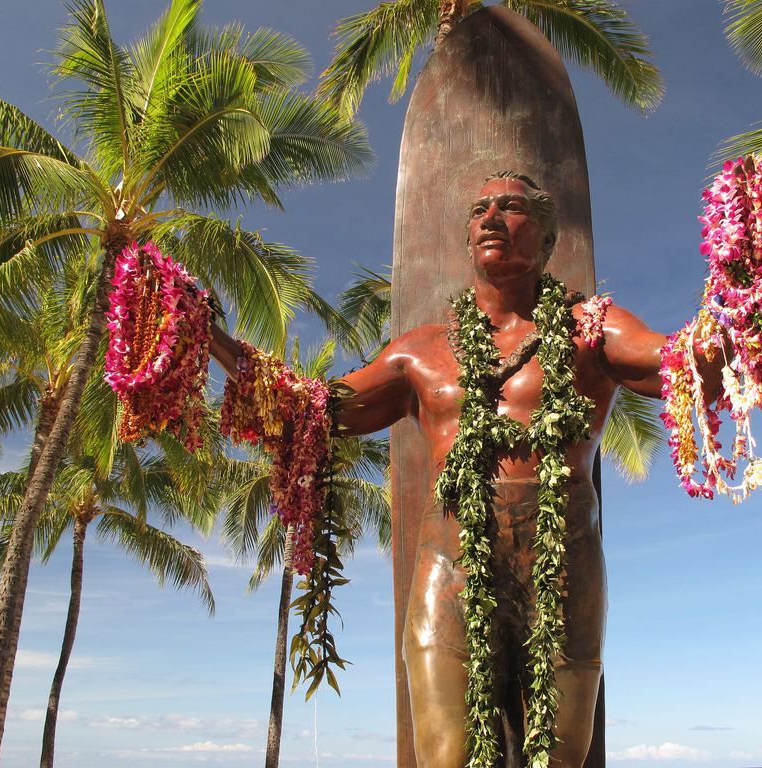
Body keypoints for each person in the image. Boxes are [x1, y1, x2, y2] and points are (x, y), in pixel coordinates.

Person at [210, 172, 718, 768]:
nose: (492, 217)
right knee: (446, 758)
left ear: (549, 239)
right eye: (480, 209)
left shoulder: (592, 329)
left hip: (563, 571)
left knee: (557, 762)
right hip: (448, 569)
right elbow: (308, 407)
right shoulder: (418, 351)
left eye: (513, 207)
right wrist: (207, 334)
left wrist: (755, 286)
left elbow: (686, 365)